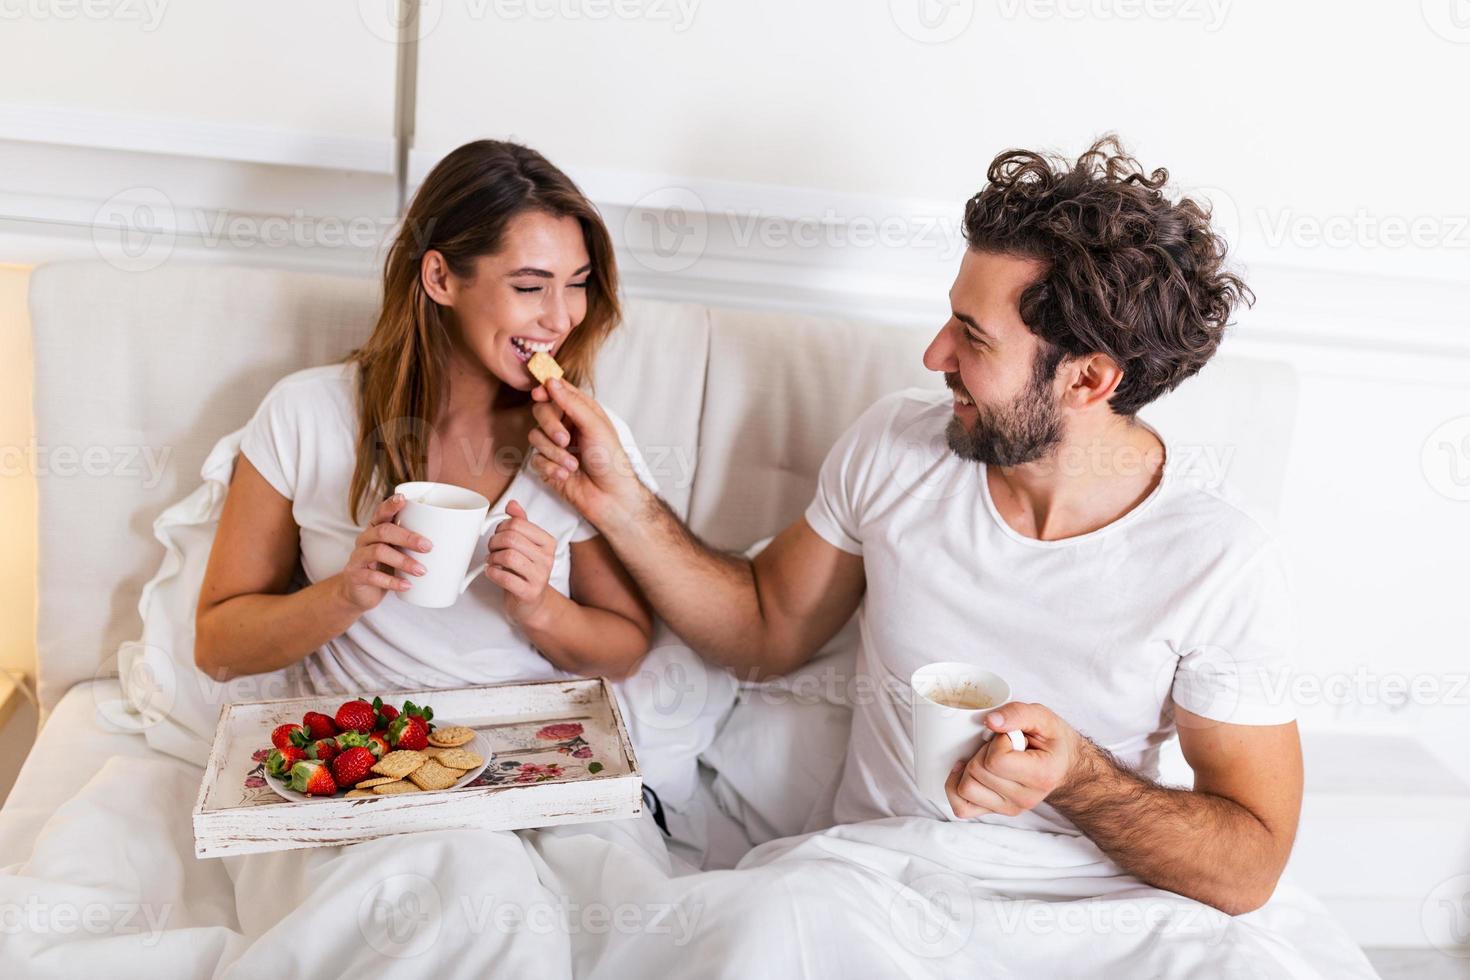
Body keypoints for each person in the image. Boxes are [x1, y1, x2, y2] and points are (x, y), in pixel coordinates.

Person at [527, 136, 1304, 918]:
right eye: (949, 320)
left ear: (1089, 378)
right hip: (873, 884)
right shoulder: (899, 448)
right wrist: (619, 500)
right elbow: (765, 631)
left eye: (973, 336)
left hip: (1090, 911)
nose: (935, 353)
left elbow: (1249, 867)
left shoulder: (1220, 561)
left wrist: (1079, 778)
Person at [195, 139, 657, 695]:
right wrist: (345, 594)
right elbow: (217, 649)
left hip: (529, 751)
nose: (562, 318)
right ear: (439, 278)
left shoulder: (580, 442)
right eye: (530, 286)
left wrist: (539, 607)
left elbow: (626, 650)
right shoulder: (304, 414)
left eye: (578, 284)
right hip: (366, 757)